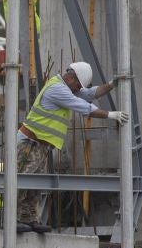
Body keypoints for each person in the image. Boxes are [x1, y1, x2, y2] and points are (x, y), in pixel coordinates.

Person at [16, 60, 128, 233]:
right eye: (77, 85)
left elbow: (91, 93)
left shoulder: (68, 87)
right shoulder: (57, 89)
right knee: (23, 181)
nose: (78, 89)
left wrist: (113, 84)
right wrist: (111, 115)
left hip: (40, 145)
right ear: (71, 78)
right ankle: (14, 219)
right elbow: (84, 106)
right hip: (29, 144)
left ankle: (30, 220)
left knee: (35, 186)